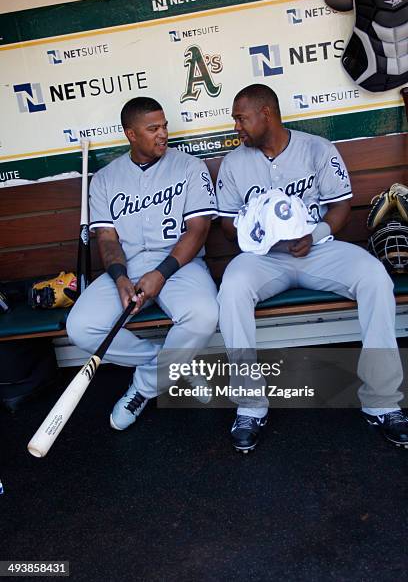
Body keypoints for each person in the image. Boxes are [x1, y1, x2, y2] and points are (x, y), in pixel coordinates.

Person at [216, 83, 408, 453]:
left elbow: (339, 206)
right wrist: (261, 236)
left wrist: (317, 232)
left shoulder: (316, 149)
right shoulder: (234, 163)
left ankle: (382, 400)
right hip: (264, 257)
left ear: (265, 114)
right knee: (233, 287)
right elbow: (225, 224)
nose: (237, 127)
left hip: (318, 250)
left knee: (373, 278)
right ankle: (250, 405)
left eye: (241, 118)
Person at [67, 97, 219, 430]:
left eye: (164, 126)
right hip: (128, 265)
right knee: (80, 326)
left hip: (180, 265)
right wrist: (120, 278)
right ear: (131, 134)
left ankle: (143, 387)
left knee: (205, 314)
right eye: (153, 129)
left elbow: (199, 230)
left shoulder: (189, 167)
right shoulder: (105, 179)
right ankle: (175, 363)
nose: (163, 133)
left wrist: (162, 273)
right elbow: (107, 240)